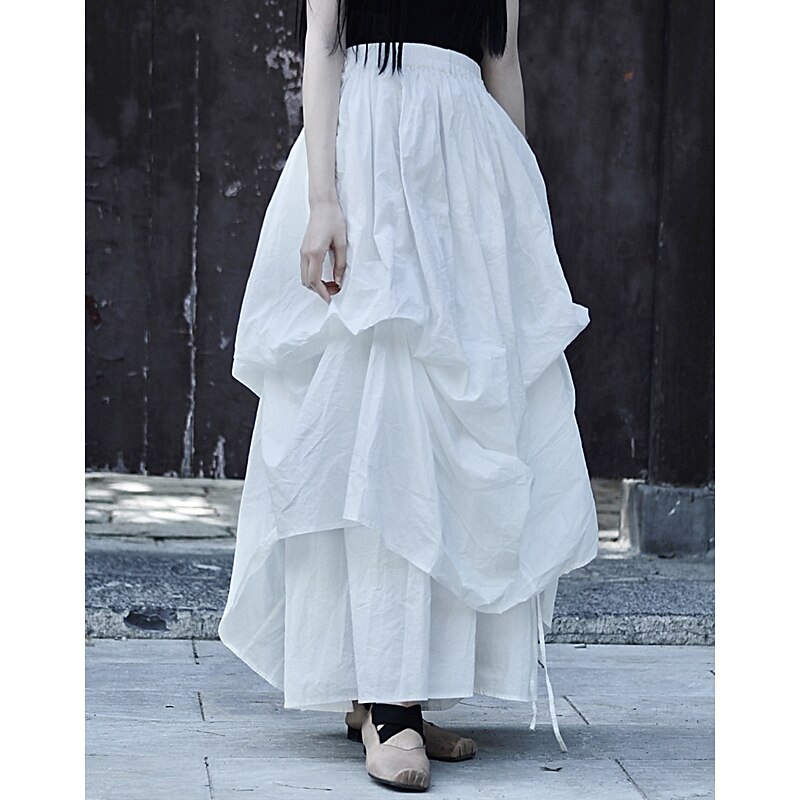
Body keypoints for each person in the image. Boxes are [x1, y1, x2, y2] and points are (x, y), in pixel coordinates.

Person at [219, 0, 598, 792]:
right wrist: (324, 199)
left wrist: (518, 210)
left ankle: (391, 695)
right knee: (379, 418)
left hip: (464, 169)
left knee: (440, 433)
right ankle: (388, 704)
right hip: (371, 154)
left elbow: (502, 61)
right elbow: (324, 41)